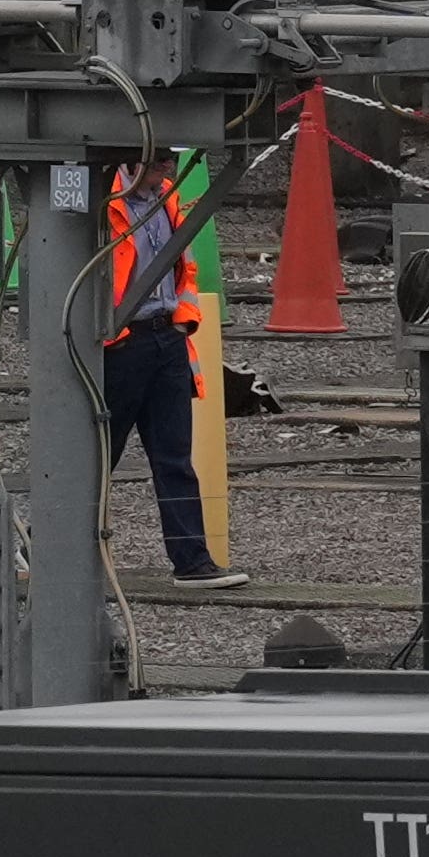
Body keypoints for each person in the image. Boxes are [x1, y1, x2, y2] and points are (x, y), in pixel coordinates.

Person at [102, 150, 248, 591]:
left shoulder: (165, 197)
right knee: (98, 455)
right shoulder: (102, 200)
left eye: (170, 159)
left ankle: (192, 561)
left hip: (165, 338)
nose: (168, 166)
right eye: (161, 158)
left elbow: (184, 268)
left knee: (174, 457)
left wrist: (183, 320)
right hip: (123, 344)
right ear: (132, 158)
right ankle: (45, 542)